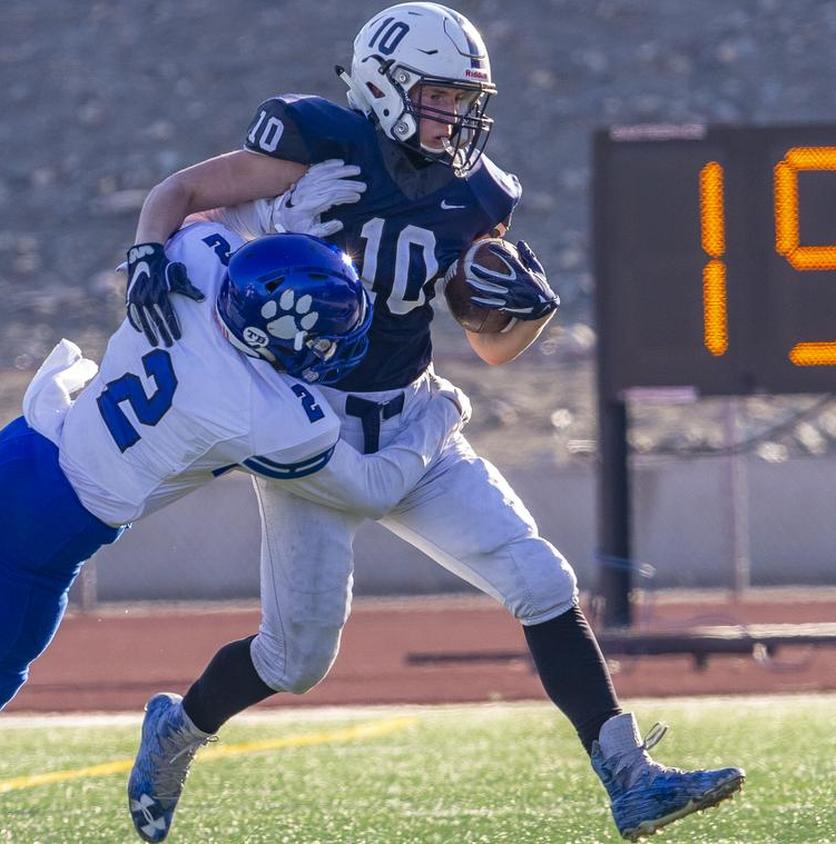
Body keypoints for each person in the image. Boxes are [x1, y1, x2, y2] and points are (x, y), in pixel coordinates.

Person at [121, 4, 744, 842]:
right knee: (295, 660)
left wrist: (522, 313)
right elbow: (182, 194)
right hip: (310, 431)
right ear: (385, 85)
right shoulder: (315, 141)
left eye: (463, 100)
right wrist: (148, 253)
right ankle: (178, 728)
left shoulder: (476, 189)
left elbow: (488, 346)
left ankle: (630, 777)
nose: (454, 116)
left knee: (543, 581)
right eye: (440, 96)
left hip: (414, 420)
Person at [0, 228, 471, 844]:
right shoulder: (270, 413)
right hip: (47, 528)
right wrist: (442, 415)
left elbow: (194, 206)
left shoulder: (203, 258)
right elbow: (372, 488)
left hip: (31, 443)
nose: (333, 350)